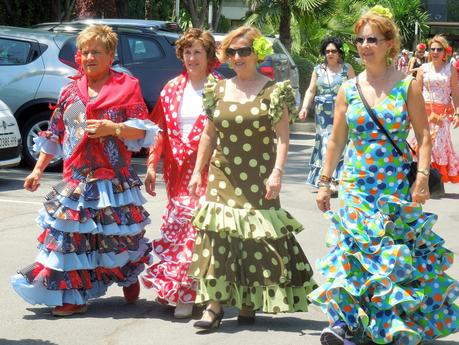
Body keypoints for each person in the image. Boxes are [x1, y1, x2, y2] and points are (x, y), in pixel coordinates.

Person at [308, 6, 459, 345]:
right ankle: (344, 324)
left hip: (392, 190)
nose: (364, 46)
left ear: (390, 43)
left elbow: (422, 136)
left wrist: (421, 177)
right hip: (355, 186)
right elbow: (336, 139)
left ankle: (388, 324)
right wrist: (324, 182)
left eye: (372, 40)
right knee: (351, 253)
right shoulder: (348, 88)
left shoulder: (408, 86)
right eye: (360, 40)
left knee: (387, 259)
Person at [10, 25, 159, 316]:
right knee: (70, 239)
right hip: (77, 177)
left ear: (110, 55)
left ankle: (126, 274)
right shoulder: (69, 91)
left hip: (114, 178)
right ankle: (73, 297)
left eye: (96, 52)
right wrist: (38, 170)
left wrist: (113, 128)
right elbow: (54, 133)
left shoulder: (127, 87)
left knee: (116, 238)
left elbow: (144, 132)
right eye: (85, 52)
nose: (89, 57)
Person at [187, 26, 316, 330]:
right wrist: (197, 171)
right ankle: (214, 306)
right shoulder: (216, 89)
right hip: (223, 175)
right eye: (231, 51)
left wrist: (277, 173)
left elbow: (283, 138)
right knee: (218, 238)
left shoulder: (274, 90)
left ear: (257, 52)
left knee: (254, 240)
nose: (237, 57)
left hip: (258, 177)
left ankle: (248, 300)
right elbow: (209, 134)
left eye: (244, 50)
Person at [140, 28, 222, 319]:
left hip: (211, 171)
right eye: (187, 52)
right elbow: (158, 130)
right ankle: (184, 289)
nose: (191, 57)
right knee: (181, 231)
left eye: (197, 52)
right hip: (176, 172)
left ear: (209, 56)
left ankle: (190, 293)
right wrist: (151, 165)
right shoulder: (171, 88)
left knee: (199, 231)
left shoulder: (220, 88)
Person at [299, 37, 355, 190]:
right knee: (325, 143)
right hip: (322, 113)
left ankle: (338, 179)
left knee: (341, 143)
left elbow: (356, 90)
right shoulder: (318, 69)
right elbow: (311, 90)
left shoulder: (347, 69)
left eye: (333, 51)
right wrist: (304, 108)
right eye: (327, 51)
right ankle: (326, 180)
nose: (330, 54)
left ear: (339, 53)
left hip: (341, 111)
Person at [416, 35, 459, 183]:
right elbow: (416, 91)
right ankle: (424, 179)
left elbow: (455, 92)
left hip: (442, 115)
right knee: (422, 144)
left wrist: (458, 112)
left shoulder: (450, 69)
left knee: (439, 146)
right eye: (432, 49)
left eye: (439, 49)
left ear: (445, 52)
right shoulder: (423, 68)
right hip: (424, 113)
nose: (435, 52)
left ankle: (436, 179)